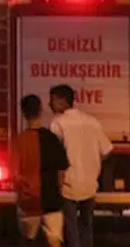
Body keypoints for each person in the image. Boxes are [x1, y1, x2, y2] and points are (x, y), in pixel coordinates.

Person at [49, 85, 113, 247]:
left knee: (70, 229)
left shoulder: (58, 124)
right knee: (86, 227)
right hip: (90, 185)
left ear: (62, 101)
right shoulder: (92, 122)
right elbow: (106, 150)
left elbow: (55, 157)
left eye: (52, 100)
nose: (49, 104)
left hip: (68, 185)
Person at [12, 94, 70, 246]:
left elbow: (15, 174)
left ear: (23, 113)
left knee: (28, 240)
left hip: (29, 202)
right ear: (41, 110)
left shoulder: (20, 140)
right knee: (54, 240)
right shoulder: (52, 138)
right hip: (52, 200)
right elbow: (61, 172)